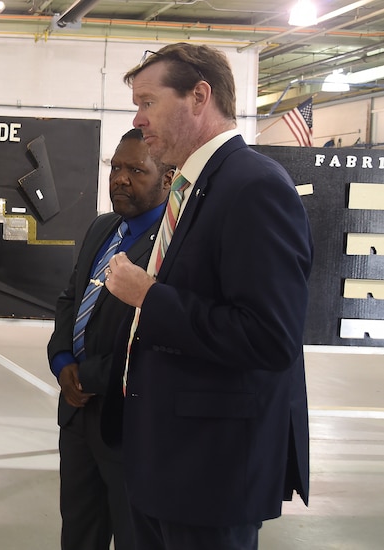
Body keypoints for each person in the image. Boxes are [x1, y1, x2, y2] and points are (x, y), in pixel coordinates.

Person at [103, 43, 313, 549]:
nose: (139, 118)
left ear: (200, 96)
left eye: (148, 102)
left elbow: (269, 336)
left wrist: (149, 297)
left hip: (211, 471)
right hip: (169, 461)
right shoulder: (196, 185)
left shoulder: (253, 187)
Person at [47, 128, 172, 550]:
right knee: (80, 532)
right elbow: (71, 298)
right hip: (78, 415)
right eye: (115, 167)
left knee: (135, 536)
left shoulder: (172, 246)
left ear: (167, 178)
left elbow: (154, 336)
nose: (119, 178)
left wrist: (91, 375)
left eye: (135, 169)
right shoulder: (103, 228)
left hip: (127, 424)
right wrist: (62, 360)